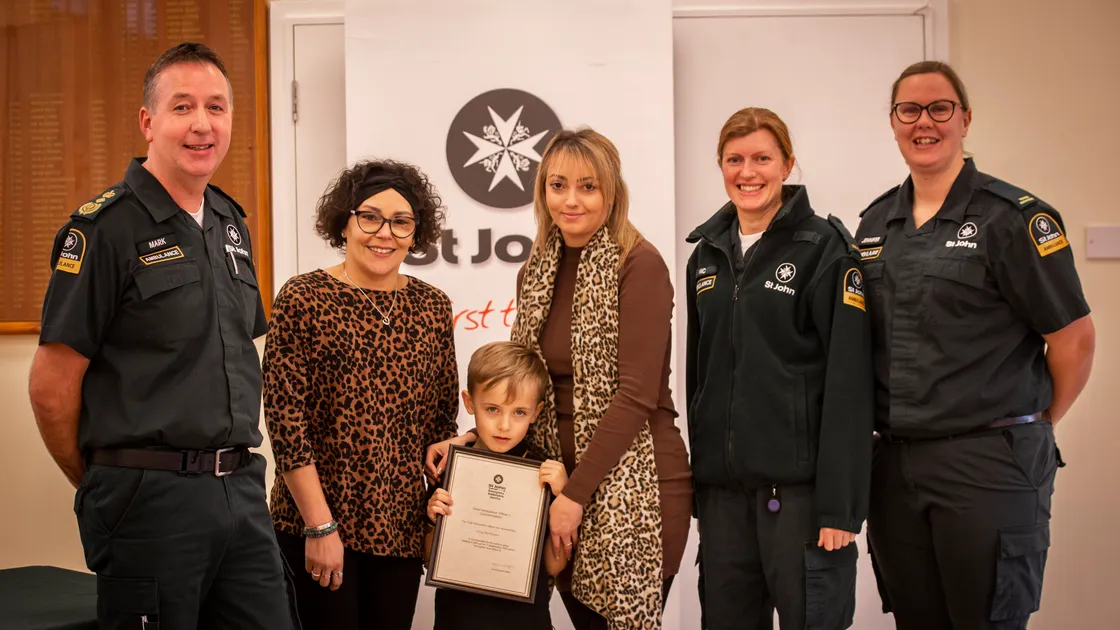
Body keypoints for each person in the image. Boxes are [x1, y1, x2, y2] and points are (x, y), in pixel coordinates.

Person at [27, 43, 297, 629]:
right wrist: (108, 479)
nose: (203, 124)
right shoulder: (105, 229)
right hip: (150, 503)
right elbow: (51, 387)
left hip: (241, 491)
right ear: (149, 122)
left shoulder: (229, 224)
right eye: (183, 107)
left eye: (217, 107)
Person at [856, 61, 1096, 630]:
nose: (924, 122)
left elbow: (1075, 341)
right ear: (892, 123)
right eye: (908, 110)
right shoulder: (873, 225)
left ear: (965, 119)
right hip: (895, 467)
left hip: (988, 464)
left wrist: (1033, 424)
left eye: (940, 108)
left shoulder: (1013, 219)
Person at [429, 127, 693, 629]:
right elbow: (519, 380)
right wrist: (472, 437)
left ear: (612, 190)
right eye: (557, 185)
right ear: (542, 191)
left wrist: (575, 496)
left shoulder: (640, 265)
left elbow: (636, 395)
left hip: (630, 486)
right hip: (548, 483)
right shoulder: (535, 268)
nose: (571, 200)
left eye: (588, 187)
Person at [684, 107, 874, 630]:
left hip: (800, 503)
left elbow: (849, 383)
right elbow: (699, 376)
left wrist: (840, 506)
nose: (749, 172)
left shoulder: (824, 249)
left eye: (763, 158)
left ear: (788, 164)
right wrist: (700, 481)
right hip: (724, 500)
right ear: (720, 166)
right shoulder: (705, 255)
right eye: (735, 159)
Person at [262, 158, 459, 630]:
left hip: (400, 534)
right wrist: (320, 527)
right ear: (344, 223)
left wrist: (447, 450)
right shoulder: (303, 297)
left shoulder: (432, 307)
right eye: (369, 217)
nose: (384, 234)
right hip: (317, 528)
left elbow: (440, 421)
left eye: (401, 222)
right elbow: (287, 425)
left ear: (416, 234)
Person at [424, 341, 568, 630]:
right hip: (458, 619)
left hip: (526, 621)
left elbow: (554, 566)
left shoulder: (543, 473)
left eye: (519, 412)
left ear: (536, 412)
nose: (504, 425)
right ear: (469, 402)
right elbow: (430, 560)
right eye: (492, 409)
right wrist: (432, 520)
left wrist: (562, 497)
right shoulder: (451, 469)